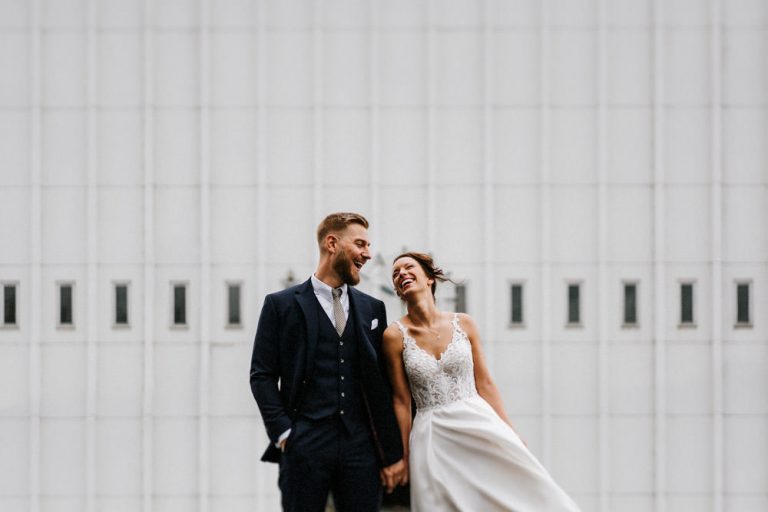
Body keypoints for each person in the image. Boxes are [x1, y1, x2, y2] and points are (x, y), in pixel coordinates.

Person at [382, 251, 582, 511]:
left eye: (408, 267)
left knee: (520, 492)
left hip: (476, 420)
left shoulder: (464, 323)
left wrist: (510, 432)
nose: (401, 274)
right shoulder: (394, 336)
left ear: (429, 278)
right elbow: (401, 400)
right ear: (397, 290)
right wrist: (405, 455)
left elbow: (485, 383)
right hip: (431, 435)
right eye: (395, 274)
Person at [250, 212, 407, 512]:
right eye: (360, 244)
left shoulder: (372, 308)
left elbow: (379, 386)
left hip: (360, 447)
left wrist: (391, 453)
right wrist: (284, 434)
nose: (368, 254)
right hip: (304, 443)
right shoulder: (280, 305)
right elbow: (262, 375)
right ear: (332, 243)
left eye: (369, 246)